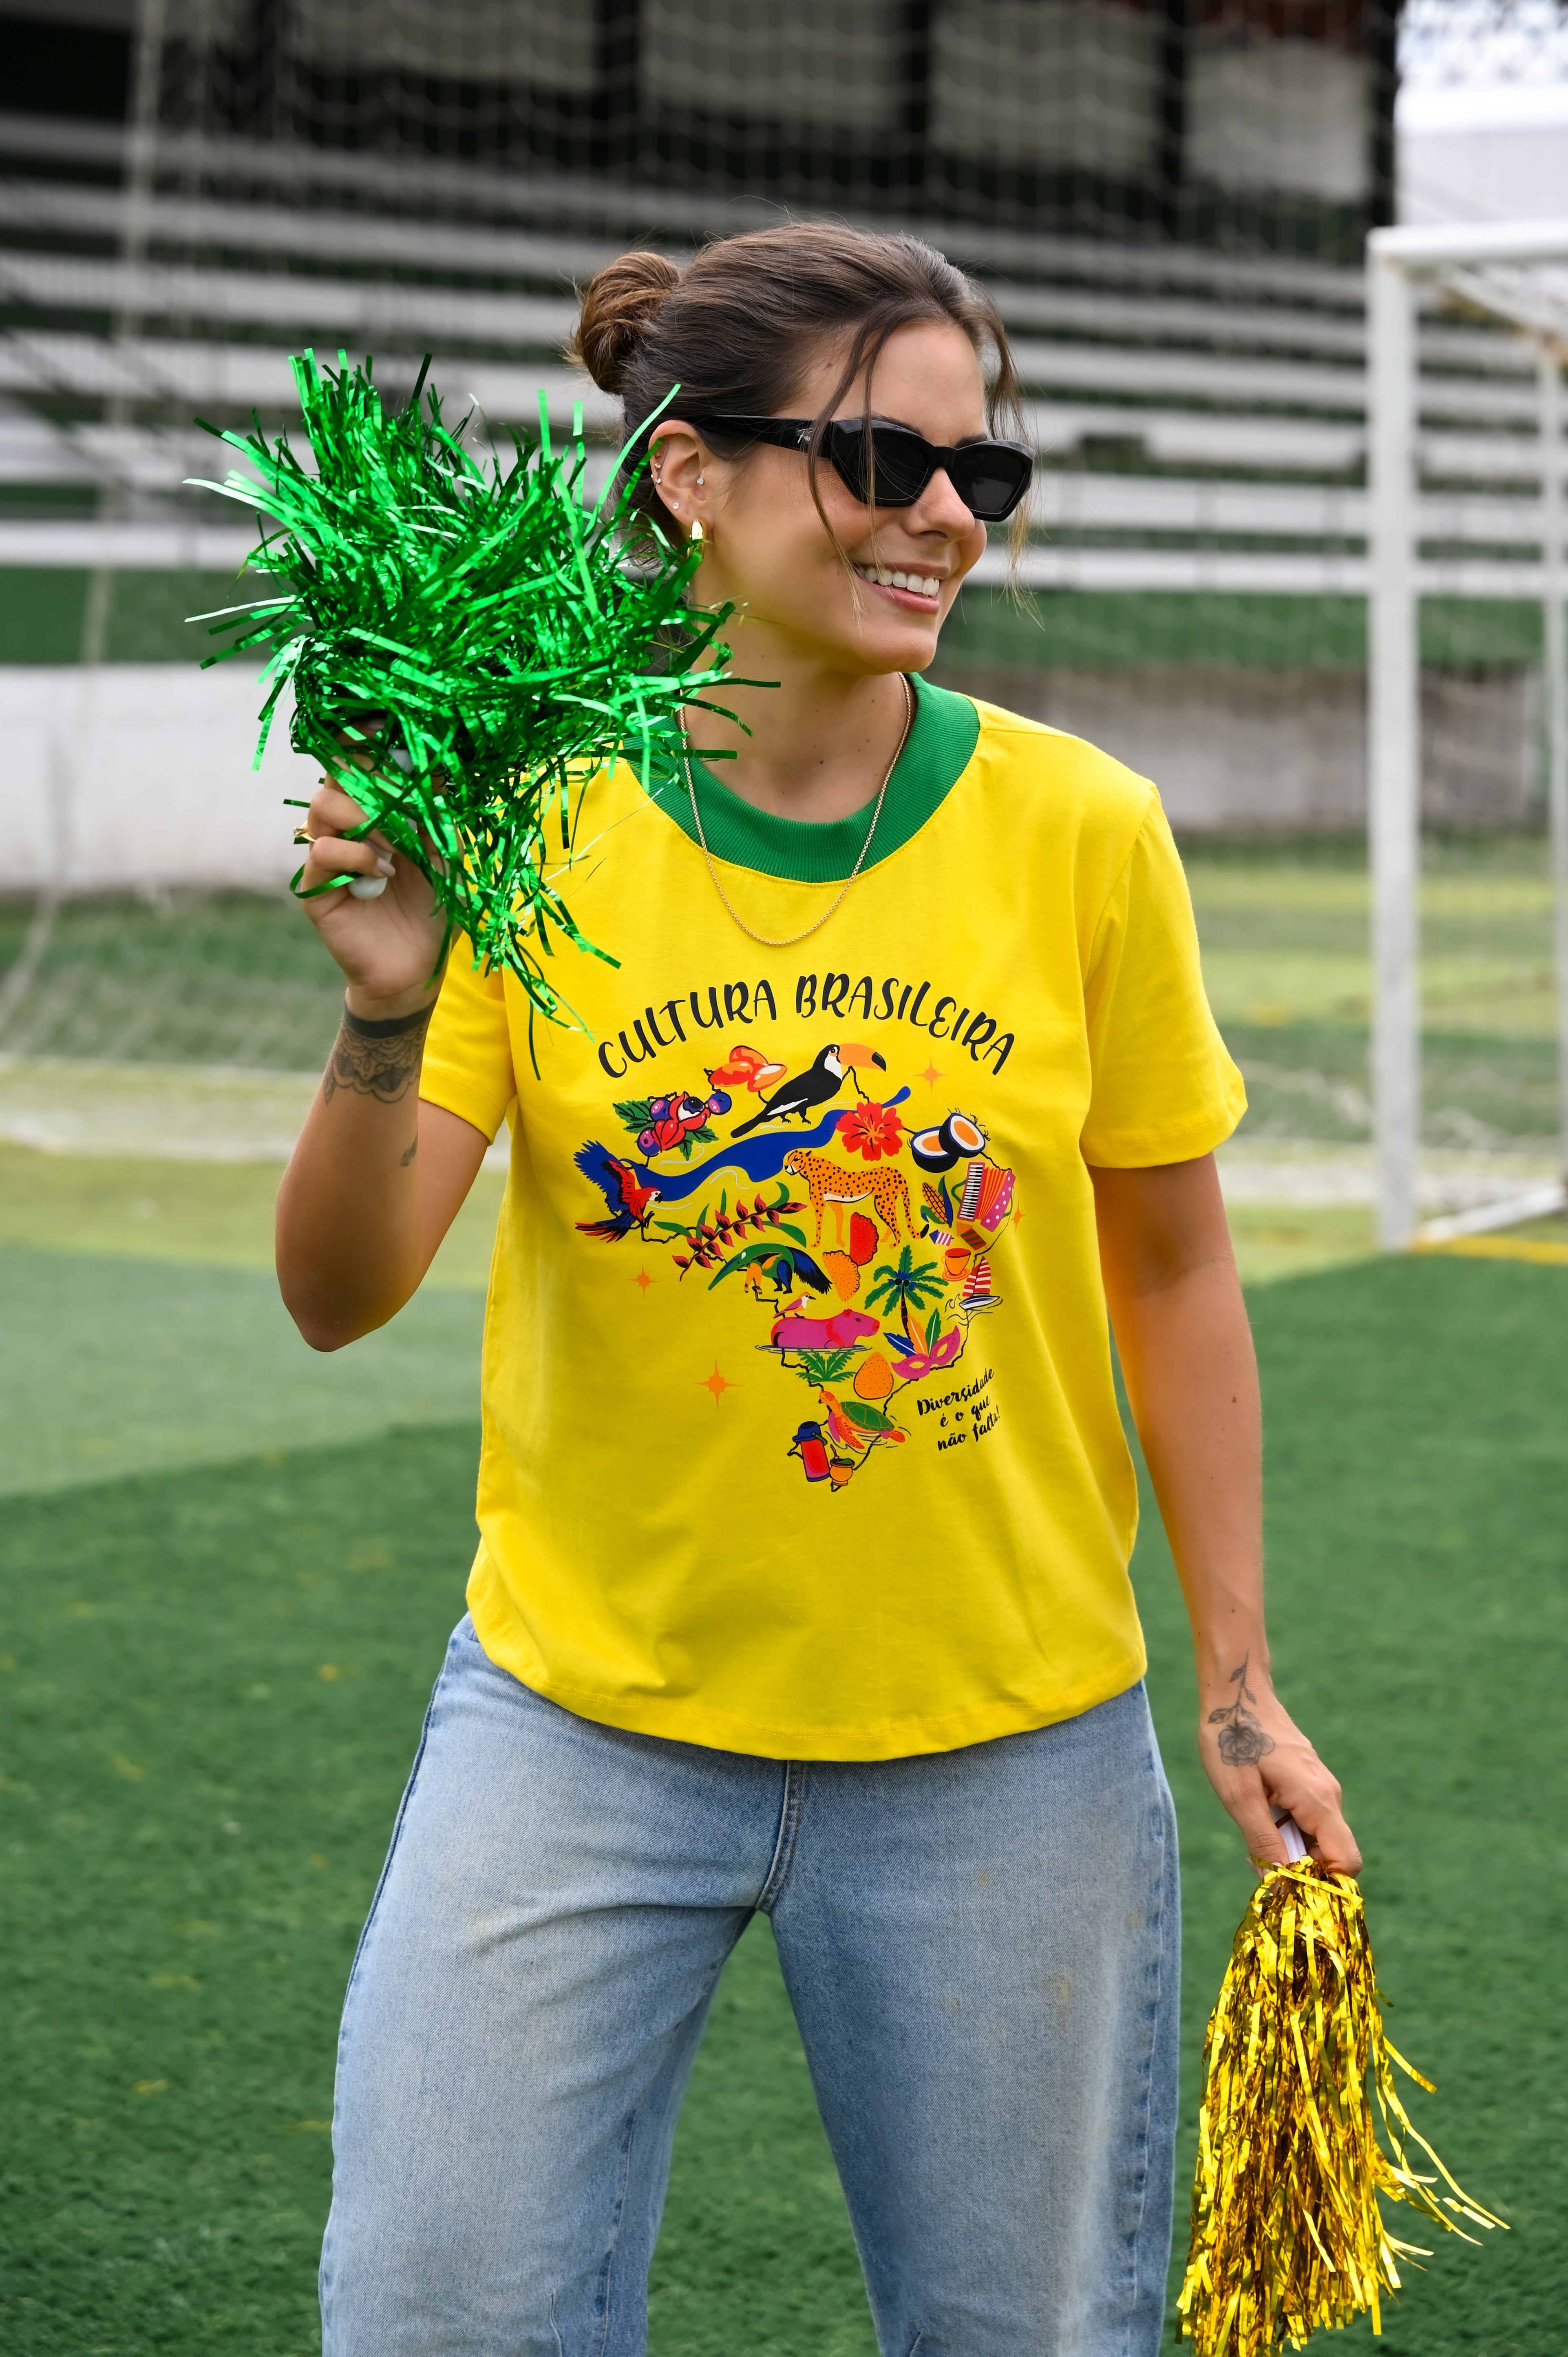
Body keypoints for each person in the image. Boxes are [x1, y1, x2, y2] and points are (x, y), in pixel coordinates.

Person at [279, 222, 1360, 2357]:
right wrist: (387, 1010)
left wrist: (1235, 1676)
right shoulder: (532, 820)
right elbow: (339, 1290)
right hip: (579, 1724)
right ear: (690, 474)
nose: (946, 515)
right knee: (433, 2311)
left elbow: (1174, 1265)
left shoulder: (1084, 832)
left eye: (983, 471)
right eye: (882, 459)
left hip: (1005, 1746)